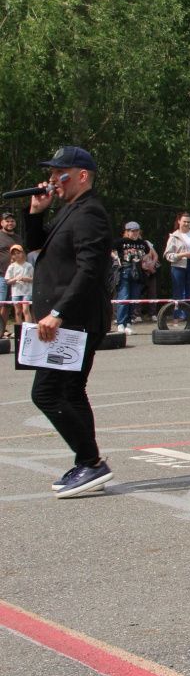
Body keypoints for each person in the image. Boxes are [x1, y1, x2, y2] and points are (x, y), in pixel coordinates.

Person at [23, 146, 114, 499]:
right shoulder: (70, 211)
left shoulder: (90, 213)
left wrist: (58, 312)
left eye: (60, 172)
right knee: (71, 391)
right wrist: (35, 214)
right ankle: (87, 462)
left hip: (74, 320)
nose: (52, 180)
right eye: (51, 172)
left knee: (46, 393)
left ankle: (91, 462)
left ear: (82, 176)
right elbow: (37, 252)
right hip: (65, 318)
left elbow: (91, 270)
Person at [112, 221, 149, 334]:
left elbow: (147, 252)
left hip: (137, 272)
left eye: (137, 231)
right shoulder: (120, 242)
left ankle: (128, 323)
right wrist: (116, 258)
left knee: (134, 298)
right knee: (124, 297)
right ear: (127, 232)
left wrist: (145, 262)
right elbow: (110, 250)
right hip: (124, 270)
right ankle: (120, 323)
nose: (135, 233)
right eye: (132, 231)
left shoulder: (142, 243)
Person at [0, 211, 21, 337]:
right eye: (7, 221)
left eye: (12, 221)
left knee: (8, 305)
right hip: (1, 275)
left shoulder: (18, 238)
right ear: (1, 223)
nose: (10, 223)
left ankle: (1, 331)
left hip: (15, 277)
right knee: (0, 303)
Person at [6, 244, 34, 324]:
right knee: (18, 311)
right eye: (14, 254)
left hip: (27, 292)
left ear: (22, 253)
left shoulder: (28, 266)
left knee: (25, 310)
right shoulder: (11, 266)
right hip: (16, 292)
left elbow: (33, 279)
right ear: (12, 256)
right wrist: (14, 279)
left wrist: (25, 279)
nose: (16, 255)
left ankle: (28, 329)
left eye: (18, 253)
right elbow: (8, 281)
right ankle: (19, 330)